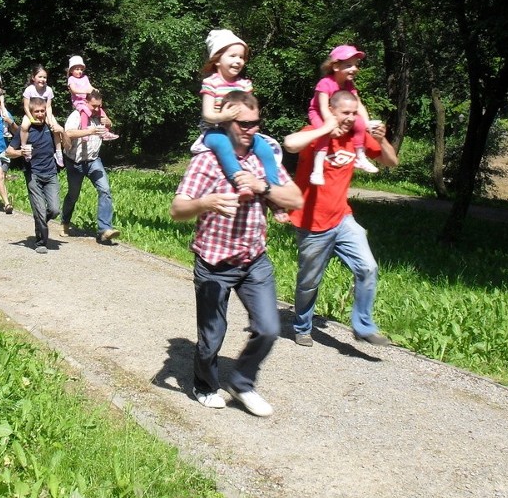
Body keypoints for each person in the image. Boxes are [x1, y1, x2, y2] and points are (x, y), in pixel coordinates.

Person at [170, 91, 303, 417]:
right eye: (242, 123)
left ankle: (242, 382)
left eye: (254, 122)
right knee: (211, 338)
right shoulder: (206, 159)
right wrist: (206, 203)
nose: (249, 129)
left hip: (254, 259)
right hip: (214, 263)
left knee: (270, 328)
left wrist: (264, 188)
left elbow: (297, 199)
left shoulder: (263, 157)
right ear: (227, 122)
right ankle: (204, 384)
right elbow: (177, 209)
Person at [284, 90, 399, 348]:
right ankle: (302, 325)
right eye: (345, 113)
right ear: (331, 111)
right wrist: (325, 127)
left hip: (342, 219)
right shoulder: (315, 134)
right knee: (309, 282)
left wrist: (383, 140)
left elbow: (391, 162)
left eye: (354, 113)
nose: (350, 118)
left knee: (368, 268)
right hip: (311, 223)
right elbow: (290, 144)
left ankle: (363, 326)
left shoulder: (356, 138)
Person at [199, 29, 281, 202]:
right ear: (217, 60)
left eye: (241, 57)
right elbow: (207, 115)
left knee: (266, 148)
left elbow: (251, 109)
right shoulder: (211, 83)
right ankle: (241, 183)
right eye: (232, 56)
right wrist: (224, 115)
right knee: (223, 145)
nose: (238, 61)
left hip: (241, 131)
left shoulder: (245, 85)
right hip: (215, 131)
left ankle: (274, 189)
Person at [307, 45, 379, 184]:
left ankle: (360, 156)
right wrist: (331, 126)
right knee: (325, 133)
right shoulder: (325, 83)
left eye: (355, 65)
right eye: (349, 65)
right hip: (318, 113)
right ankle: (317, 170)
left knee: (359, 122)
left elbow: (358, 105)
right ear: (336, 67)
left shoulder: (349, 85)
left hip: (336, 114)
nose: (354, 68)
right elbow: (322, 107)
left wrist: (367, 123)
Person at [61, 89, 121, 243]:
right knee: (73, 195)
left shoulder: (100, 115)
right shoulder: (76, 115)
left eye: (98, 106)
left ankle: (105, 229)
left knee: (105, 190)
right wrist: (90, 131)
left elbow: (108, 125)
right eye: (93, 106)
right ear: (86, 102)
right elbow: (68, 133)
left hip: (94, 160)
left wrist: (108, 123)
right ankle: (65, 222)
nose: (96, 109)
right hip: (75, 162)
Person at [6, 97, 62, 253]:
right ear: (30, 113)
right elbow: (8, 152)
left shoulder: (51, 127)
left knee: (55, 210)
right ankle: (41, 243)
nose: (40, 114)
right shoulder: (25, 130)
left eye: (42, 111)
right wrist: (20, 152)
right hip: (33, 174)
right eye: (36, 111)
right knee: (40, 210)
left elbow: (64, 143)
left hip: (51, 173)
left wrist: (63, 132)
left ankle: (40, 221)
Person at [20, 64, 65, 166]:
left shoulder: (48, 90)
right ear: (33, 78)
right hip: (31, 113)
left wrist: (49, 119)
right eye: (40, 77)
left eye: (44, 77)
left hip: (44, 113)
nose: (42, 79)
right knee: (24, 126)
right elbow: (26, 107)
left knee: (55, 127)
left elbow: (48, 107)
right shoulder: (29, 90)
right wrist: (31, 119)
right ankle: (24, 149)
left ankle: (58, 152)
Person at [66, 55, 118, 141]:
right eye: (77, 69)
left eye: (81, 69)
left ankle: (106, 132)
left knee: (102, 112)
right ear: (71, 70)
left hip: (86, 99)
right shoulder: (71, 79)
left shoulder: (84, 78)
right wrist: (85, 91)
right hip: (79, 101)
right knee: (84, 112)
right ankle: (84, 130)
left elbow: (90, 87)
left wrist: (95, 90)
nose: (79, 71)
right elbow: (74, 90)